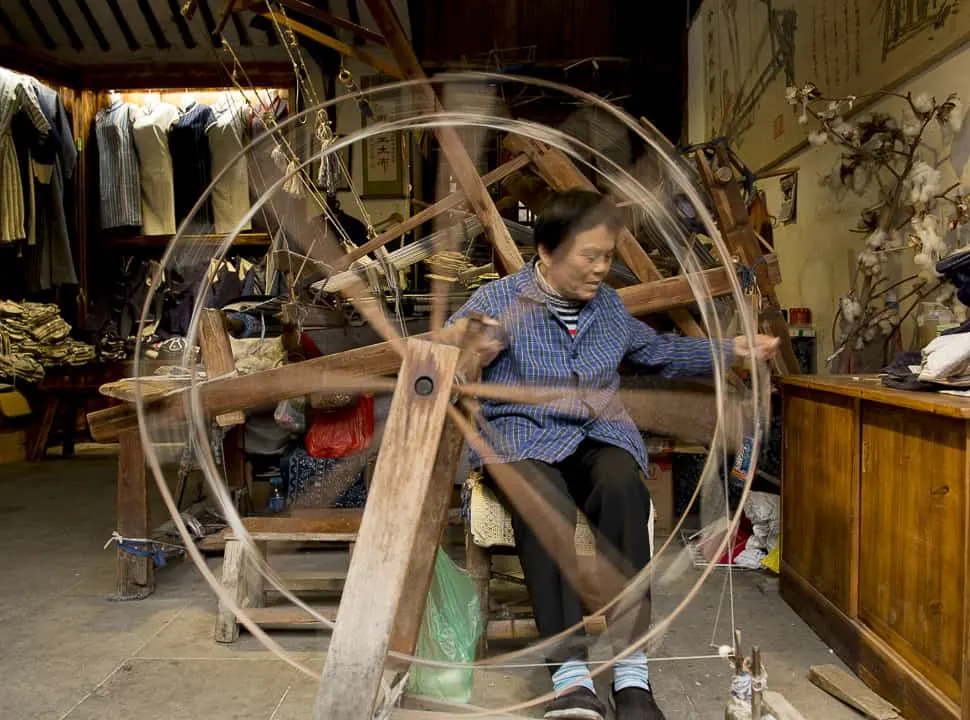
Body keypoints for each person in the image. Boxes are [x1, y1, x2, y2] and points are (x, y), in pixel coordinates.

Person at [445, 189, 779, 720]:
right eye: (589, 256)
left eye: (608, 256)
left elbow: (660, 353)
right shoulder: (498, 301)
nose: (601, 268)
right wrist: (466, 351)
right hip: (522, 437)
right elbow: (444, 352)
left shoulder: (609, 309)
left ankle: (631, 672)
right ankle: (570, 676)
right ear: (549, 253)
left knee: (623, 485)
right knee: (542, 505)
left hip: (597, 435)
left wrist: (732, 349)